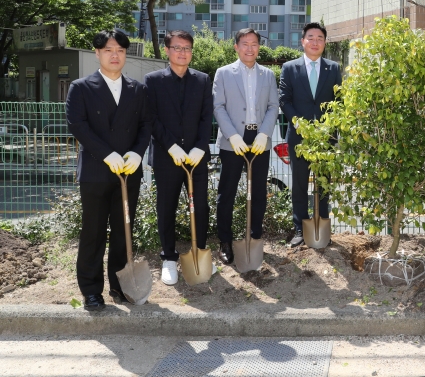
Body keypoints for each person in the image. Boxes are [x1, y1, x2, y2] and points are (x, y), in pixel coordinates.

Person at [65, 30, 151, 310]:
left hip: (128, 172)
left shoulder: (137, 89)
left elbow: (145, 126)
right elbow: (78, 126)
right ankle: (91, 290)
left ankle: (119, 285)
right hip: (95, 171)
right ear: (98, 53)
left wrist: (137, 154)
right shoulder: (81, 87)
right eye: (109, 50)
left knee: (123, 231)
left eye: (121, 51)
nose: (115, 55)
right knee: (93, 232)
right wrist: (106, 154)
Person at [145, 30, 215, 284]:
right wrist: (171, 146)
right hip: (167, 157)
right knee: (167, 207)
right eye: (177, 47)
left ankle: (200, 252)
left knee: (201, 207)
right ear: (167, 50)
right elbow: (151, 118)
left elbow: (207, 116)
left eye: (186, 48)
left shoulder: (203, 80)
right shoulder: (153, 80)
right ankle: (169, 259)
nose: (182, 52)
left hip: (196, 158)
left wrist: (200, 146)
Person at [212, 28, 279, 264]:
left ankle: (254, 236)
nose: (250, 48)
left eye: (254, 44)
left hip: (259, 138)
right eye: (245, 43)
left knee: (259, 191)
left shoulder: (268, 75)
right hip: (234, 141)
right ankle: (225, 241)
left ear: (259, 47)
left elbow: (273, 106)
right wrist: (232, 136)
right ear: (236, 46)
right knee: (227, 192)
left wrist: (264, 133)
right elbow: (218, 106)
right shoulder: (223, 73)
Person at [278, 22, 342, 247]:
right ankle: (299, 228)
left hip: (326, 137)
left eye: (320, 38)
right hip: (299, 136)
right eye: (311, 38)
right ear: (302, 41)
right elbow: (284, 99)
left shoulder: (333, 68)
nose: (315, 42)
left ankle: (323, 225)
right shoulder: (290, 67)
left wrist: (329, 127)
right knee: (299, 183)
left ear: (325, 43)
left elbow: (338, 102)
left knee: (324, 184)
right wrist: (299, 123)